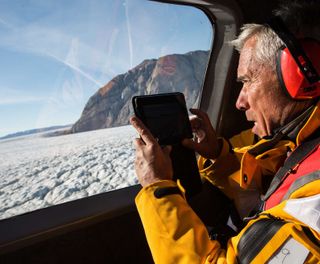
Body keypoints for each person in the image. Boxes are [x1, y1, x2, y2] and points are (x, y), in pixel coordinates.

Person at [130, 1, 320, 263]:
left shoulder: (313, 203)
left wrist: (157, 189)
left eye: (246, 81)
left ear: (299, 73)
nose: (239, 102)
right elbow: (266, 193)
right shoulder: (301, 145)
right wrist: (219, 158)